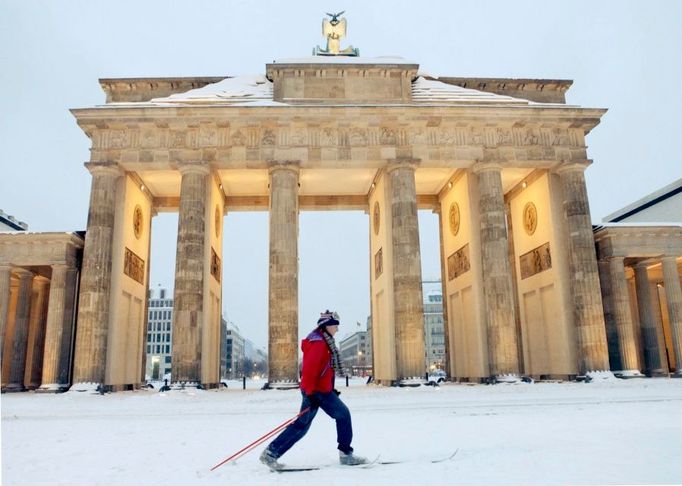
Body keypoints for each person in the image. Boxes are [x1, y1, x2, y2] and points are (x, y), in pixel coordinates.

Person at [260, 310, 367, 470]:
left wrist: (329, 389)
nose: (337, 329)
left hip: (321, 391)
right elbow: (310, 370)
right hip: (316, 392)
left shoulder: (324, 341)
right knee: (337, 417)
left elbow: (323, 370)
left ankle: (271, 453)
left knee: (304, 425)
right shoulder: (319, 343)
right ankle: (345, 454)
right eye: (335, 326)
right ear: (327, 326)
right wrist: (310, 393)